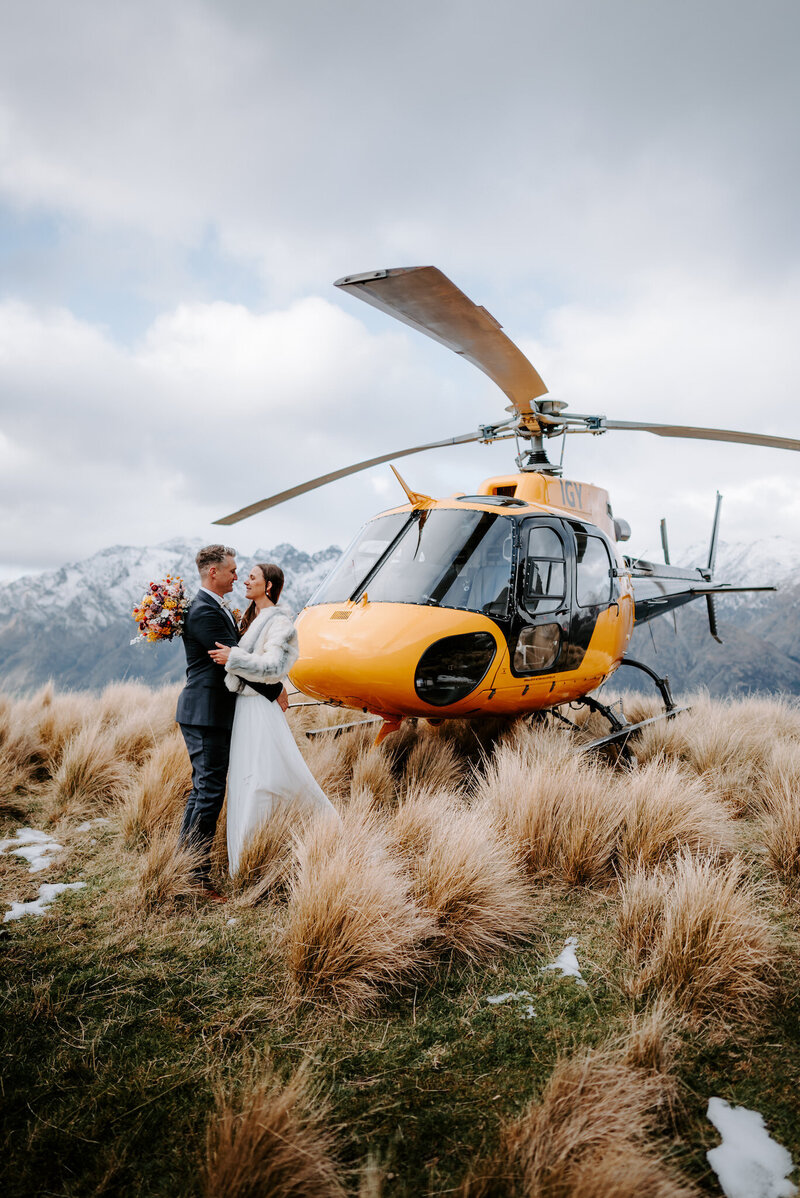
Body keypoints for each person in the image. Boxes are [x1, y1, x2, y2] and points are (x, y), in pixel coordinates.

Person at [208, 561, 337, 877]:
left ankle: (317, 832)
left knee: (264, 777)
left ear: (268, 586)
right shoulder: (252, 620)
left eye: (252, 577)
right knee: (245, 777)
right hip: (245, 707)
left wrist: (232, 659)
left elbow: (273, 667)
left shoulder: (280, 622)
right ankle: (246, 857)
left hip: (259, 711)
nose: (245, 581)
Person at [175, 544, 287, 901]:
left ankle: (183, 864)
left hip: (211, 711)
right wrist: (274, 691)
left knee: (203, 789)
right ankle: (194, 876)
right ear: (214, 573)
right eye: (233, 570)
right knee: (208, 791)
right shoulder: (204, 611)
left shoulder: (213, 606)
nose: (237, 576)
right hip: (206, 712)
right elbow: (230, 661)